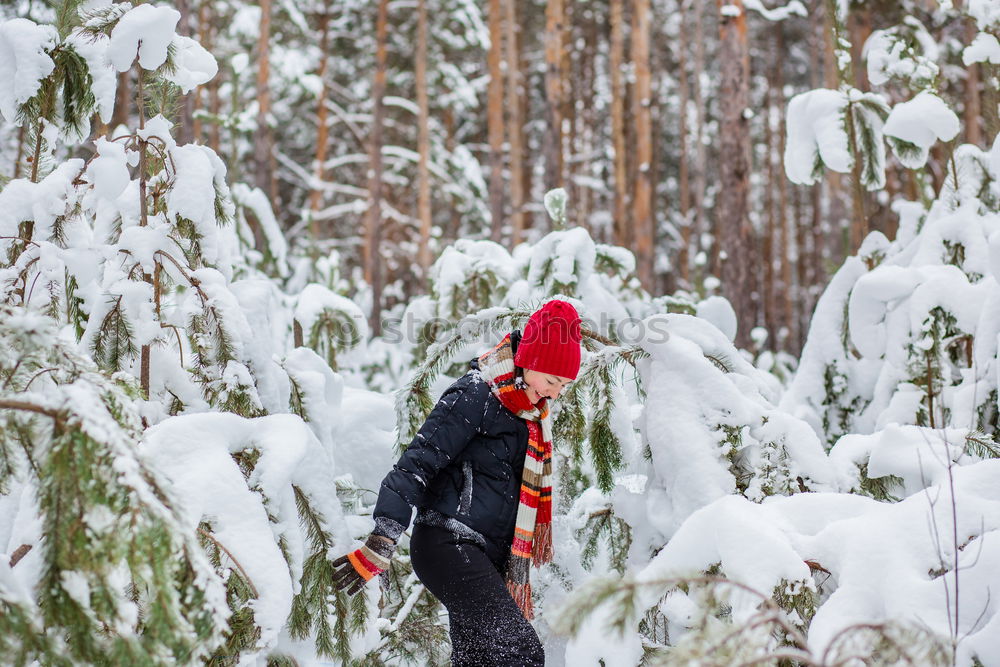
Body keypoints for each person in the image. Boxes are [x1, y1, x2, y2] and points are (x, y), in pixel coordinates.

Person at [331, 299, 583, 666]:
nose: (555, 393)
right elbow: (415, 464)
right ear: (530, 361)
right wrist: (385, 534)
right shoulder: (475, 395)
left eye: (563, 385)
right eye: (552, 380)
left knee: (479, 660)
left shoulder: (529, 416)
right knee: (521, 653)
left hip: (483, 555)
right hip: (447, 543)